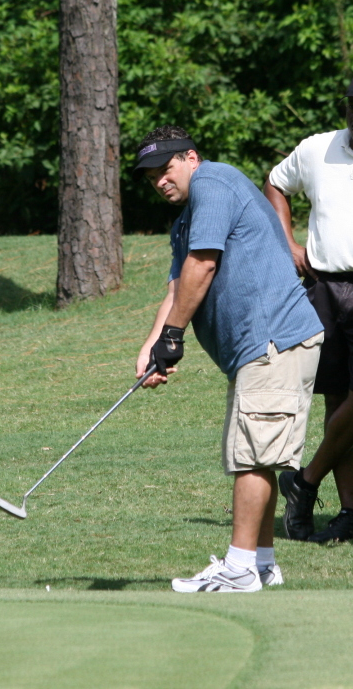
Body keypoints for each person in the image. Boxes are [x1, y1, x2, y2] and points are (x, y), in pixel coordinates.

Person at [133, 126, 324, 592]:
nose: (160, 181)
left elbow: (204, 264)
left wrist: (174, 336)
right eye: (151, 176)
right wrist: (153, 346)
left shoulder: (212, 182)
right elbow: (180, 284)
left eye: (166, 168)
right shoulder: (186, 219)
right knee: (252, 453)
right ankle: (260, 563)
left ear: (191, 158)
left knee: (253, 456)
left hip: (273, 339)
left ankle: (239, 570)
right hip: (254, 350)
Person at [262, 70, 353, 543]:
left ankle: (304, 481)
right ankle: (351, 511)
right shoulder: (315, 148)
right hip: (323, 286)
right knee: (337, 397)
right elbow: (275, 184)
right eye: (350, 103)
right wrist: (287, 246)